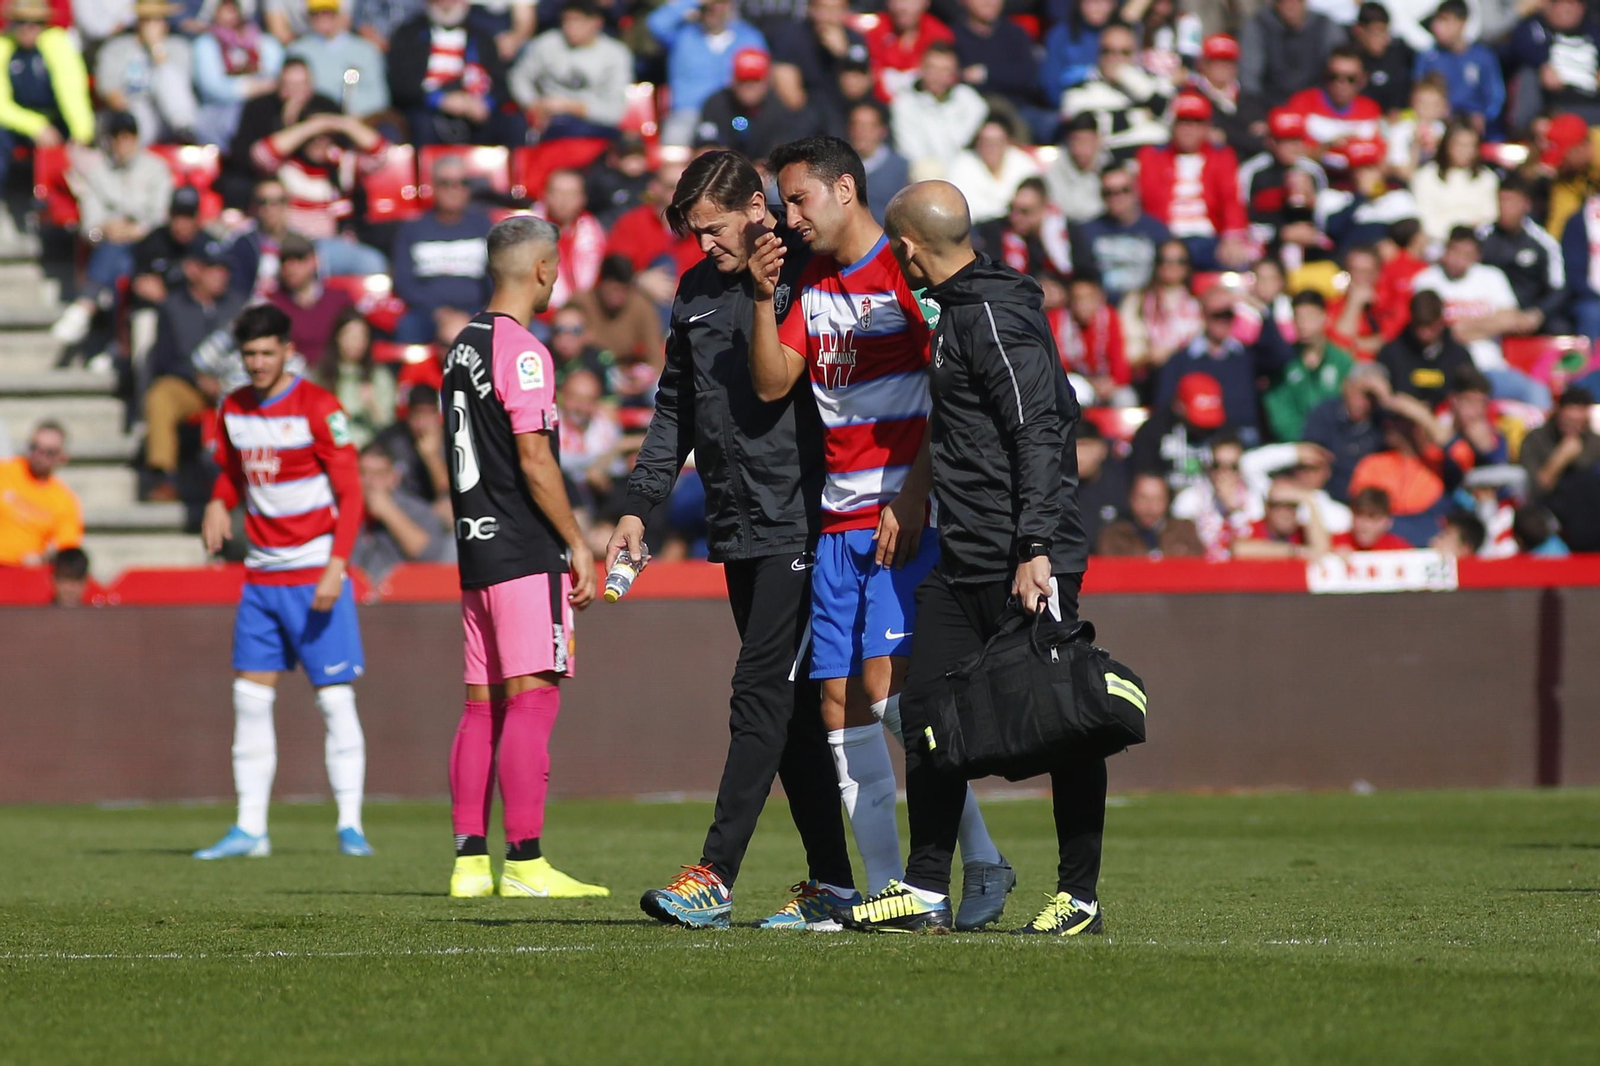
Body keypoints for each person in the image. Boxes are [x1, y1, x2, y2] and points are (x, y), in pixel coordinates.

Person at [748, 137, 1012, 927]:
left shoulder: (905, 273)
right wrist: (764, 297)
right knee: (838, 703)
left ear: (844, 190)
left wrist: (916, 489)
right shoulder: (812, 282)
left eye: (798, 200)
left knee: (893, 695)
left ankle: (979, 864)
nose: (789, 217)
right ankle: (893, 888)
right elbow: (772, 382)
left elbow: (953, 385)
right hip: (837, 518)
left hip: (901, 516)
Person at [832, 178, 1100, 936]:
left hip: (1021, 557)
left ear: (910, 249)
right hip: (965, 555)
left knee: (1064, 722)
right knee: (926, 709)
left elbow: (1038, 430)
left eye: (898, 248)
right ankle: (923, 887)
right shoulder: (960, 308)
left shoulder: (989, 315)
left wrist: (1037, 547)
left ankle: (1079, 896)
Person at [614, 151, 856, 930]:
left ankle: (715, 876)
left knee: (759, 694)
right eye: (693, 234)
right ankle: (833, 884)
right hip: (736, 521)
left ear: (757, 206)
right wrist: (638, 507)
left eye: (711, 229)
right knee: (785, 716)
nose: (703, 247)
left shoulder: (808, 274)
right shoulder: (691, 292)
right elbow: (673, 409)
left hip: (802, 518)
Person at [438, 215, 607, 900]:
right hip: (521, 547)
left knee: (481, 706)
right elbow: (535, 459)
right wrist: (574, 540)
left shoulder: (460, 346)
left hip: (474, 551)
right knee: (532, 701)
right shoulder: (524, 350)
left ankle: (470, 863)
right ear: (541, 269)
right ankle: (527, 862)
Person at [193, 304, 373, 861]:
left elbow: (352, 495)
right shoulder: (233, 408)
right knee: (248, 699)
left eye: (268, 353)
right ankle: (250, 829)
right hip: (262, 578)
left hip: (316, 573)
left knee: (334, 701)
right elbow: (231, 472)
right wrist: (218, 504)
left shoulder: (319, 408)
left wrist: (337, 565)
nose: (258, 363)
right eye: (249, 354)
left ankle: (350, 825)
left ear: (287, 352)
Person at [50, 112, 173, 348]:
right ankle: (116, 345)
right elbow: (90, 224)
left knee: (119, 257)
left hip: (150, 243)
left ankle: (86, 305)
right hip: (110, 242)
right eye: (117, 137)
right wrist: (107, 229)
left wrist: (136, 229)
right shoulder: (98, 173)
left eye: (128, 137)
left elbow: (161, 215)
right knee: (119, 265)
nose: (123, 143)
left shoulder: (156, 168)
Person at [141, 241, 248, 502]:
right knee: (160, 396)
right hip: (190, 387)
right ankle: (163, 477)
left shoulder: (239, 305)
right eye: (212, 268)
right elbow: (163, 360)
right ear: (193, 269)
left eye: (224, 269)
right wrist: (197, 379)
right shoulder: (172, 306)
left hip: (236, 386)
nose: (220, 274)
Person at [1412, 227, 1547, 406]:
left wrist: (1463, 327)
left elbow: (1511, 320)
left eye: (1466, 255)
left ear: (1477, 256)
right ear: (1445, 250)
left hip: (1490, 368)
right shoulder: (1425, 280)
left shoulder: (1492, 277)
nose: (1458, 260)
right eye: (1454, 252)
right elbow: (1443, 332)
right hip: (1446, 371)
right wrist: (1490, 323)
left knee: (1537, 392)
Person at [251, 108, 391, 276]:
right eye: (313, 138)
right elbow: (261, 154)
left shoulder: (341, 164)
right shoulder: (286, 167)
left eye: (325, 137)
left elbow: (382, 154)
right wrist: (310, 127)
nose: (319, 142)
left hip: (335, 245)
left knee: (374, 263)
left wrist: (341, 123)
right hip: (294, 244)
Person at [1135, 92, 1249, 271]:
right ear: (1173, 125)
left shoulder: (1222, 156)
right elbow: (1147, 202)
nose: (1188, 129)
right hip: (1164, 239)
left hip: (1209, 239)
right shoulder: (1151, 157)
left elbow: (1231, 200)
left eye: (1196, 123)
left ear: (1206, 128)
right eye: (1183, 122)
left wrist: (1232, 237)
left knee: (1239, 264)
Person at [388, 0, 523, 146]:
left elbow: (501, 84)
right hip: (427, 108)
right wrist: (440, 100)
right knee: (420, 124)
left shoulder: (482, 37)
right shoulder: (408, 34)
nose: (447, 5)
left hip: (475, 106)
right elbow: (399, 84)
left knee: (514, 124)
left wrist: (485, 104)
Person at [1156, 285, 1276, 446]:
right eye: (1216, 315)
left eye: (1228, 314)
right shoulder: (1181, 360)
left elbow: (1281, 358)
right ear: (1203, 315)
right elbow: (1164, 406)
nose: (1223, 320)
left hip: (1244, 438)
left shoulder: (1246, 356)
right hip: (1199, 439)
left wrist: (1262, 311)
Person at [391, 155, 493, 343]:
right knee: (407, 328)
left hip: (475, 310)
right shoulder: (413, 229)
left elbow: (494, 279)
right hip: (427, 313)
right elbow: (404, 282)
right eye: (446, 183)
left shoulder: (483, 227)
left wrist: (480, 312)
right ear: (434, 187)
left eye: (462, 183)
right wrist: (438, 312)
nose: (454, 190)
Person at [0, 0, 94, 191]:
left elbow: (72, 93)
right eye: (21, 22)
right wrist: (36, 127)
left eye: (34, 23)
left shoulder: (57, 44)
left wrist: (81, 133)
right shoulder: (4, 47)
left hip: (56, 119)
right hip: (19, 124)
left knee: (79, 154)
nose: (27, 28)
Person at [648, 0, 768, 146]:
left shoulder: (749, 37)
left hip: (733, 112)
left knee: (750, 139)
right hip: (689, 112)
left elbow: (762, 73)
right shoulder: (683, 35)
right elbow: (656, 23)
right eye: (709, 6)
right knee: (673, 144)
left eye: (720, 3)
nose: (714, 8)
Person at [508, 0, 631, 140]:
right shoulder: (546, 44)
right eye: (566, 21)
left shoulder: (615, 54)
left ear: (596, 23)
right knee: (513, 126)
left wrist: (571, 107)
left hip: (591, 124)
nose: (570, 27)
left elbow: (613, 112)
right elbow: (519, 77)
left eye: (577, 21)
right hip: (546, 118)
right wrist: (532, 104)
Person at [1060, 22, 1170, 161]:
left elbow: (1172, 115)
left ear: (1136, 54)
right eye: (1108, 51)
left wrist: (1131, 80)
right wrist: (1139, 116)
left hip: (1155, 162)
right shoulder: (1078, 91)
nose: (1115, 59)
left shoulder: (1153, 84)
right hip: (1108, 166)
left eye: (1124, 52)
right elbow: (1088, 129)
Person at [94, 1, 198, 144]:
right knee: (140, 113)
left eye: (157, 19)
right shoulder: (116, 48)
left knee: (168, 78)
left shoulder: (179, 48)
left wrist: (156, 48)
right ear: (138, 22)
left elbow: (180, 90)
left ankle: (185, 131)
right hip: (133, 115)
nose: (151, 25)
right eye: (146, 19)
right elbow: (110, 92)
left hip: (169, 117)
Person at [351, 443, 455, 582]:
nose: (370, 482)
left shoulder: (417, 510)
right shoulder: (342, 510)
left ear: (394, 477)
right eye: (363, 473)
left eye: (378, 474)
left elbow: (430, 557)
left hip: (406, 596)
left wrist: (388, 512)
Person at [696, 47, 822, 161]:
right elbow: (705, 150)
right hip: (726, 173)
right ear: (732, 80)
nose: (749, 86)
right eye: (743, 79)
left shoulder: (779, 108)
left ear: (767, 81)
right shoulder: (716, 103)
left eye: (755, 80)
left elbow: (781, 154)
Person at [1479, 173, 1567, 333]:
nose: (1505, 208)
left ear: (1526, 204)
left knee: (1560, 328)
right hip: (1491, 314)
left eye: (1511, 201)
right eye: (1501, 201)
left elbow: (1558, 288)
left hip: (1530, 313)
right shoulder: (1482, 237)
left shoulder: (1544, 243)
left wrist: (1538, 313)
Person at [1072, 167, 1170, 305]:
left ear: (1136, 191)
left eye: (1124, 190)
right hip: (1103, 309)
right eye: (1109, 193)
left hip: (1146, 308)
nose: (1117, 198)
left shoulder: (1157, 231)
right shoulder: (1086, 232)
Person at [1284, 44, 1385, 179]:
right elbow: (1289, 154)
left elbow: (1380, 156)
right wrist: (1326, 147)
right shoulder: (1302, 103)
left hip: (1356, 182)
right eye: (1334, 76)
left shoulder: (1370, 109)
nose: (1341, 84)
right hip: (1313, 180)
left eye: (1350, 79)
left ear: (1363, 80)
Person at [1264, 291, 1353, 443]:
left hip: (1336, 444)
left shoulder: (1342, 361)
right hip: (1294, 446)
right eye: (1298, 317)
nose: (1303, 323)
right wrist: (1301, 441)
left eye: (1310, 317)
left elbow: (1350, 406)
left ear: (1325, 317)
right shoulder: (1283, 362)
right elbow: (1277, 407)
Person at [193, 0, 284, 148]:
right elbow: (211, 87)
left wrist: (265, 85)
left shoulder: (263, 40)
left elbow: (276, 75)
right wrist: (249, 87)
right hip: (221, 112)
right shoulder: (206, 44)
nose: (229, 16)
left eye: (232, 9)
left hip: (263, 106)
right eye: (223, 9)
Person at [1519, 387, 1600, 550]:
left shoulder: (1594, 443)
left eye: (1580, 423)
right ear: (1558, 412)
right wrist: (1560, 458)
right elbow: (1536, 489)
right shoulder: (1536, 440)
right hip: (1548, 509)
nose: (1574, 428)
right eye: (1569, 421)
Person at [889, 42, 987, 175]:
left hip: (962, 173)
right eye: (932, 68)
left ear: (954, 73)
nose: (937, 76)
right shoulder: (903, 103)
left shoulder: (972, 102)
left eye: (945, 70)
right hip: (922, 175)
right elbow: (910, 152)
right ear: (921, 68)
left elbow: (964, 143)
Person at [771, 0, 871, 130]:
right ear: (810, 9)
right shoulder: (790, 37)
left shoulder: (855, 40)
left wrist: (842, 56)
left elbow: (855, 92)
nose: (829, 17)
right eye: (823, 9)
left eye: (836, 10)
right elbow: (791, 98)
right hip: (805, 117)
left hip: (845, 116)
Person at [1505, 0, 1600, 130]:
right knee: (1527, 74)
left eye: (1577, 4)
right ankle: (1526, 129)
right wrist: (1542, 65)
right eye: (1564, 3)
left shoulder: (1593, 31)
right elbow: (1518, 47)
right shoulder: (1534, 27)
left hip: (1592, 102)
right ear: (1549, 6)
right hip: (1553, 105)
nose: (1571, 9)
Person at [1304, 361, 1390, 502]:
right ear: (1346, 386)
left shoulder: (1384, 422)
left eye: (1371, 397)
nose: (1363, 403)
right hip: (1327, 499)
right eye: (1360, 393)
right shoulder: (1325, 413)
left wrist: (1388, 400)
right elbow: (1310, 461)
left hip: (1370, 505)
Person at [288, 0, 390, 119]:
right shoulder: (296, 50)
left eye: (328, 12)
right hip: (309, 118)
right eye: (316, 13)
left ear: (339, 14)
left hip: (356, 119)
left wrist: (346, 110)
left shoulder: (365, 50)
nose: (322, 17)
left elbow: (379, 98)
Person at [1377, 288, 1477, 409]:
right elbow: (1383, 401)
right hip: (1401, 420)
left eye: (1429, 326)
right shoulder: (1391, 353)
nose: (1424, 333)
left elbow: (1471, 398)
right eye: (1419, 325)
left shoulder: (1459, 357)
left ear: (1441, 321)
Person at [0, 420, 81, 567]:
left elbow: (66, 549)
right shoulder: (4, 472)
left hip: (27, 574)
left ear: (62, 456)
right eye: (35, 447)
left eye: (49, 452)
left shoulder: (64, 500)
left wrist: (43, 558)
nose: (39, 455)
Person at [1414, 0, 1503, 131]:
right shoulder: (1428, 57)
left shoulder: (1483, 57)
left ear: (1462, 23)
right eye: (1437, 21)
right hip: (1436, 126)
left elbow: (1495, 96)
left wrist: (1484, 116)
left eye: (1445, 21)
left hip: (1473, 128)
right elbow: (1418, 94)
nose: (1437, 27)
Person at [267, 234, 356, 363]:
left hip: (334, 374)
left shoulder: (339, 299)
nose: (290, 266)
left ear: (314, 261)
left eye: (299, 258)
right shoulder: (273, 305)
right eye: (284, 260)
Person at [315, 308, 396, 448]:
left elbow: (389, 426)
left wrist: (372, 406)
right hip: (332, 449)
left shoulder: (379, 376)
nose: (355, 342)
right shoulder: (321, 376)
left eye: (361, 336)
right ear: (337, 337)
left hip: (372, 449)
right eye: (350, 336)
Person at [1411, 120, 1497, 245]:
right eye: (1460, 145)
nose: (1465, 151)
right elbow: (1425, 219)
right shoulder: (1426, 176)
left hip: (1478, 243)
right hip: (1437, 243)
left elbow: (1489, 216)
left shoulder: (1487, 177)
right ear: (1446, 145)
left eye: (1470, 146)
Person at [1239, 0, 1342, 103]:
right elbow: (1249, 76)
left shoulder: (1324, 25)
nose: (1289, 6)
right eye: (1283, 2)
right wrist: (1253, 110)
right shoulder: (1259, 25)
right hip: (1271, 103)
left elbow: (1342, 68)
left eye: (1295, 1)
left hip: (1317, 102)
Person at [376, 383, 453, 522]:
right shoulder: (391, 440)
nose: (423, 423)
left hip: (439, 513)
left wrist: (432, 458)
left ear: (438, 415)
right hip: (404, 512)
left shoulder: (452, 440)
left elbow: (447, 493)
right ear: (408, 416)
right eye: (418, 414)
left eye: (429, 414)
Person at [944, 117, 1040, 225]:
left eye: (996, 142)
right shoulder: (962, 166)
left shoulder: (1023, 163)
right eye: (985, 142)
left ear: (1007, 142)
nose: (990, 148)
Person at [568, 254, 662, 365]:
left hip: (626, 371)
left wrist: (648, 374)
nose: (619, 296)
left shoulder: (641, 307)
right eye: (614, 289)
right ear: (602, 284)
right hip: (588, 369)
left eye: (624, 290)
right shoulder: (581, 302)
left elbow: (654, 352)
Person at [863, 0, 955, 102]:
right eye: (897, 1)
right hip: (881, 106)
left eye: (910, 2)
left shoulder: (939, 35)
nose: (902, 8)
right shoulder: (873, 31)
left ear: (925, 3)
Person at [1096, 471, 1206, 556]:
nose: (1149, 507)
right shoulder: (1114, 535)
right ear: (1131, 499)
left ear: (1167, 501)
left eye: (1157, 499)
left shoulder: (1185, 531)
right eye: (1143, 498)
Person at [848, 102, 908, 227]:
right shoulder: (839, 165)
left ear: (883, 131)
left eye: (868, 127)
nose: (861, 132)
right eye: (856, 125)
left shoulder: (901, 169)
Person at [1043, 112, 1109, 224]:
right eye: (1076, 141)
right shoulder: (1054, 171)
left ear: (1097, 140)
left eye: (1086, 141)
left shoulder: (1109, 168)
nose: (1081, 149)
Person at [1351, 2, 1414, 115]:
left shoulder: (1399, 54)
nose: (1385, 39)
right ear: (1359, 30)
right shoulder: (1348, 60)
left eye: (1386, 32)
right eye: (1377, 33)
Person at [1330, 486, 1412, 550]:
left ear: (1388, 521)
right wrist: (1332, 556)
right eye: (1360, 516)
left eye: (1373, 518)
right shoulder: (1333, 543)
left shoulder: (1399, 549)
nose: (1365, 525)